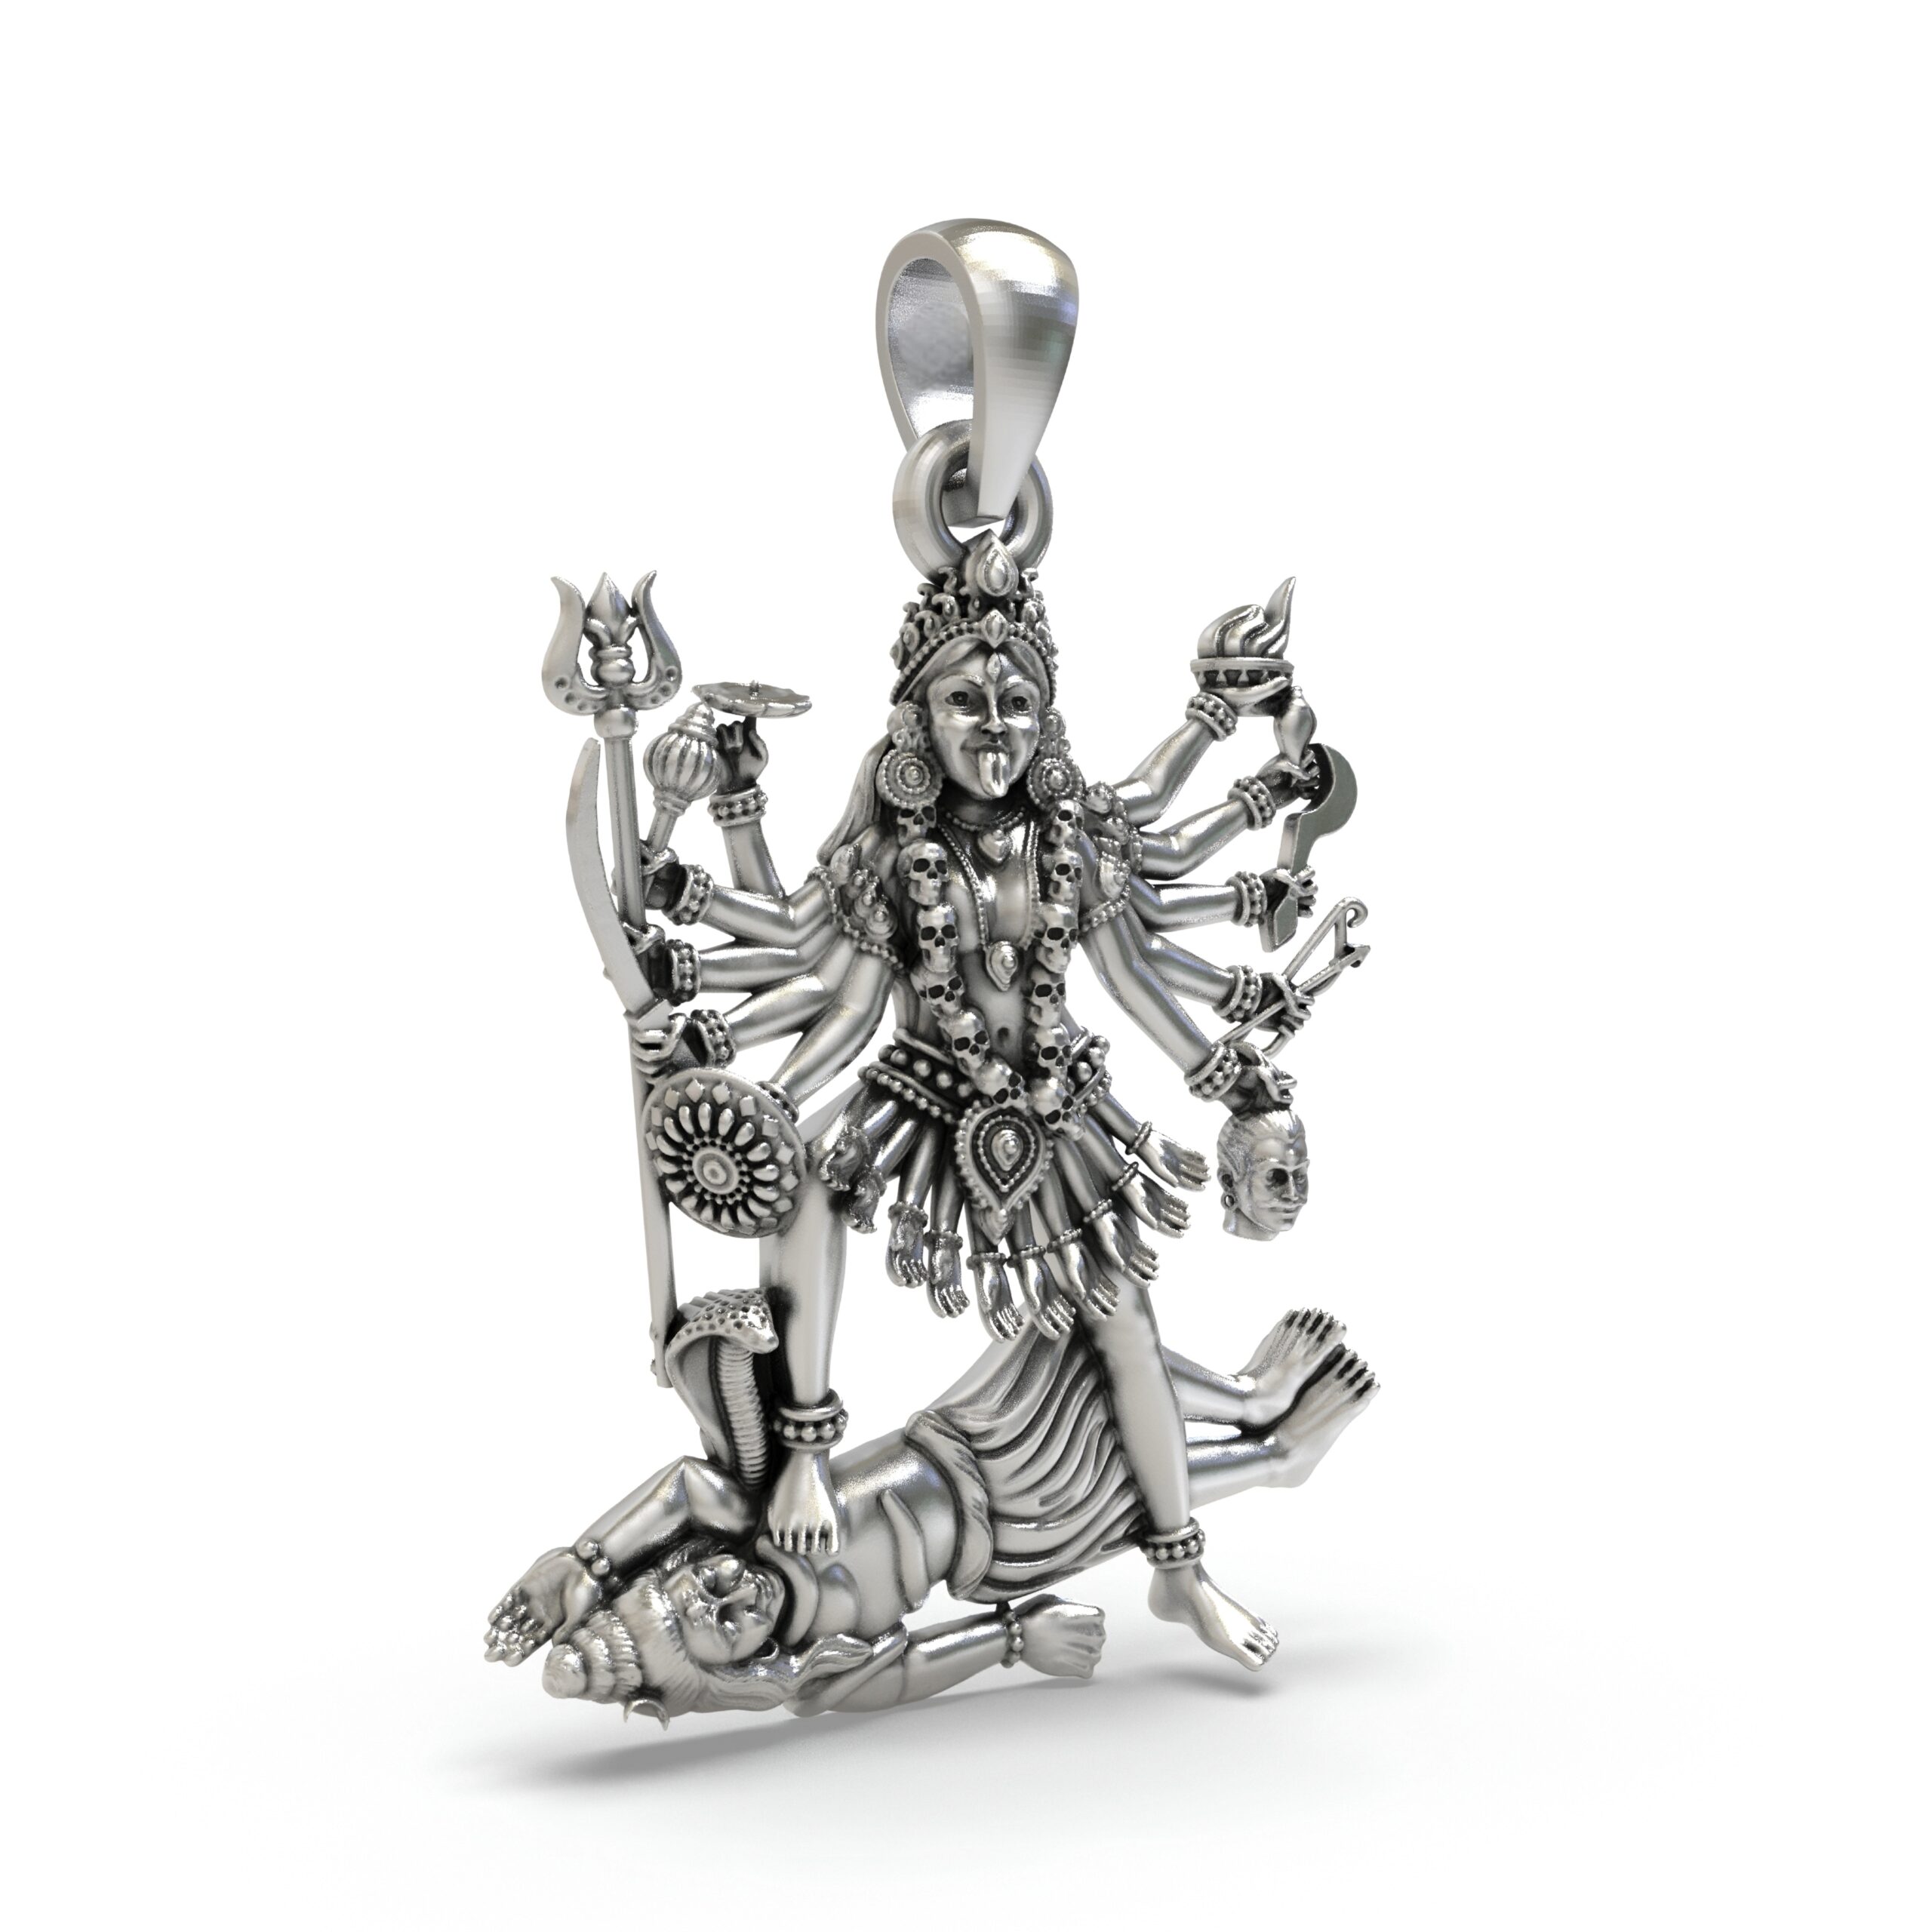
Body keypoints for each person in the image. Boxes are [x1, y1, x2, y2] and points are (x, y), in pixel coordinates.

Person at [632, 532, 1329, 1668]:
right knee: (806, 1191)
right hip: (921, 1097)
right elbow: (824, 981)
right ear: (918, 722)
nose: (994, 728)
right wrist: (700, 983)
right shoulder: (887, 860)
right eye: (965, 701)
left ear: (1047, 719)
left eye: (1017, 703)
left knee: (1124, 1324)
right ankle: (801, 1452)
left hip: (1058, 1109)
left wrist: (1222, 1074)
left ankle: (1180, 1570)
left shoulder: (1074, 840)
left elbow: (1138, 974)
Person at [485, 1299, 1375, 1722]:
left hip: (960, 1436)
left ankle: (1249, 1398)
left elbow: (684, 1482)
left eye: (702, 1585)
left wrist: (589, 1560)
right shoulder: (818, 1664)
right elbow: (907, 1668)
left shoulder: (755, 1515)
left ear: (688, 1561)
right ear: (741, 1665)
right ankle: (1273, 1458)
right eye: (724, 1627)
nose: (732, 1595)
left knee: (1085, 1328)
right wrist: (1015, 1638)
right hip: (1007, 1536)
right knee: (1130, 1491)